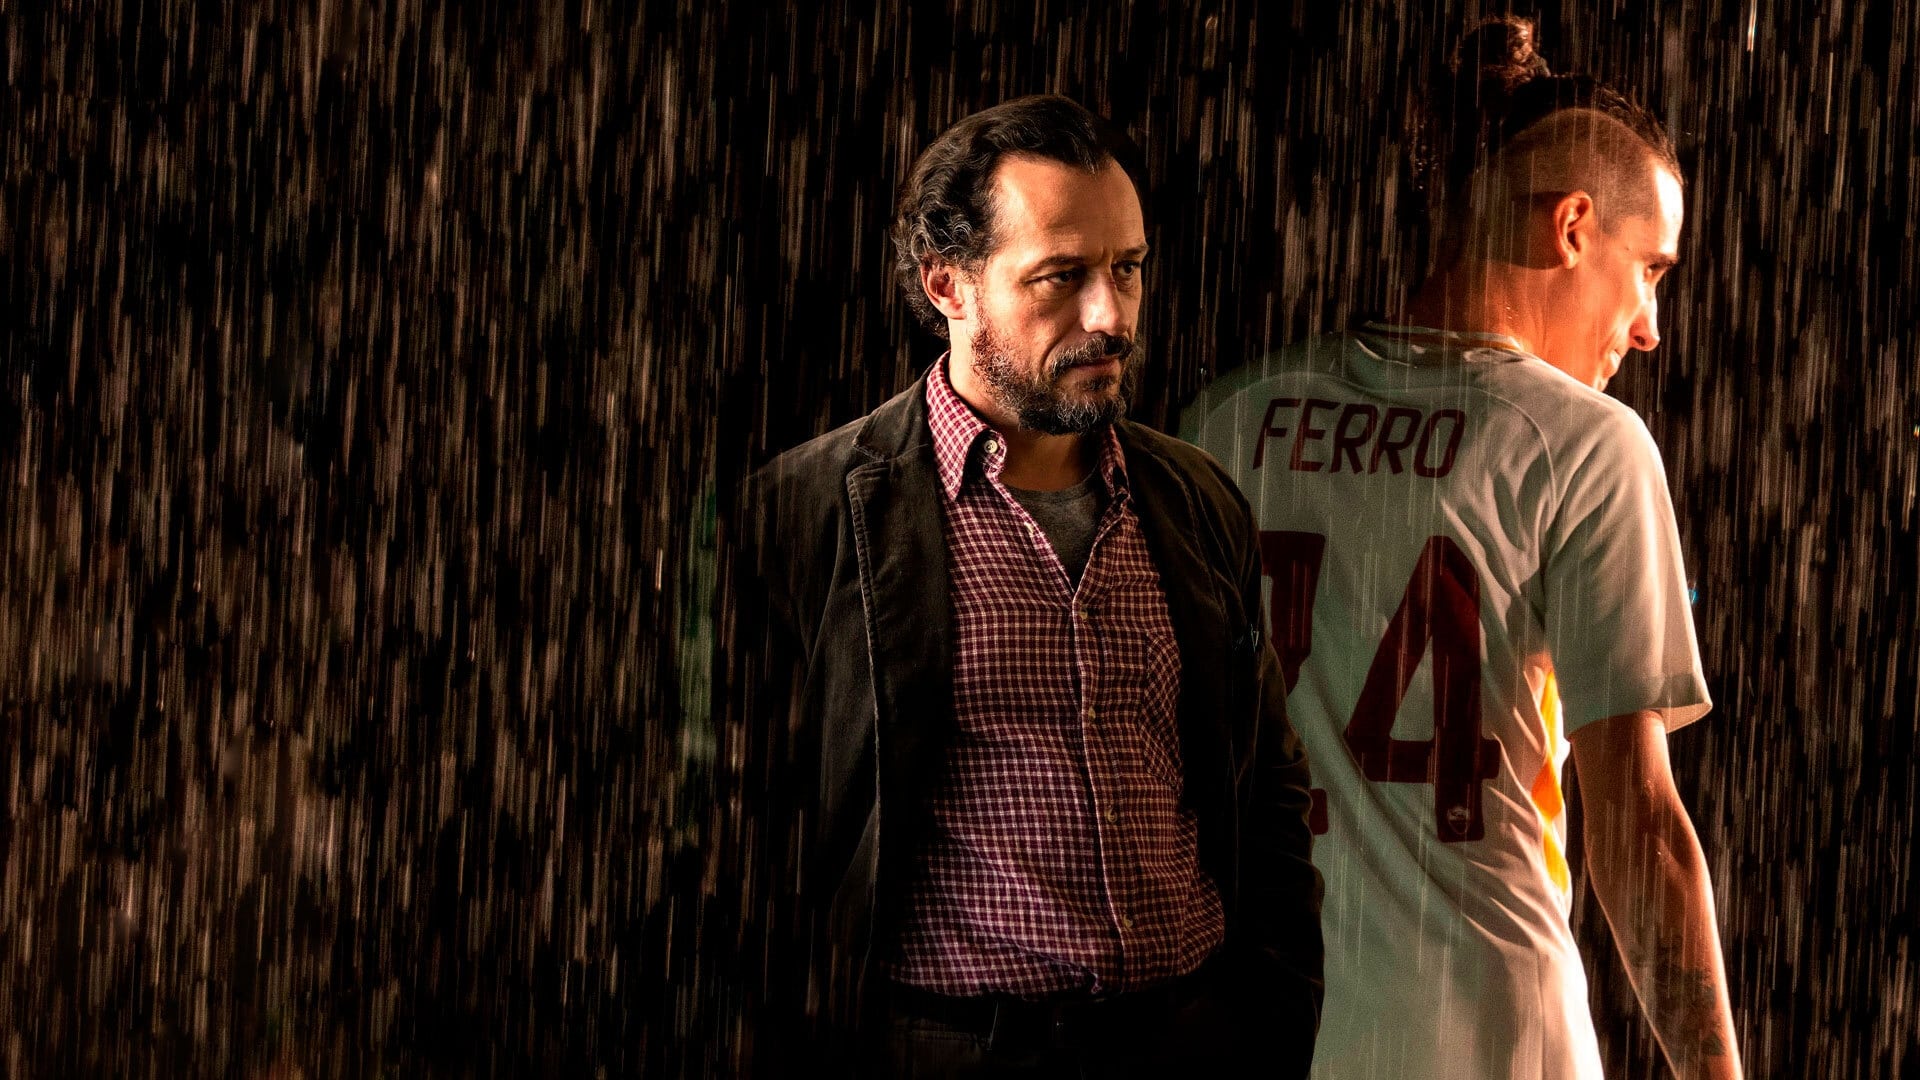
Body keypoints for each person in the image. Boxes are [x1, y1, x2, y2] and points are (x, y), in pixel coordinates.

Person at [1181, 18, 1742, 1080]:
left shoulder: (1232, 420)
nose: (1649, 326)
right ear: (1573, 226)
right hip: (1495, 1036)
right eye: (1650, 270)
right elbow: (1640, 830)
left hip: (1277, 1032)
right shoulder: (1584, 446)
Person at [725, 94, 1323, 1077]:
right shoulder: (803, 516)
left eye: (1127, 269)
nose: (1110, 315)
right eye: (1061, 276)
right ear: (948, 285)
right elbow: (740, 845)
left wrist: (1276, 1019)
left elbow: (1265, 787)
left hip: (1192, 1042)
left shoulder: (1196, 500)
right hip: (950, 1051)